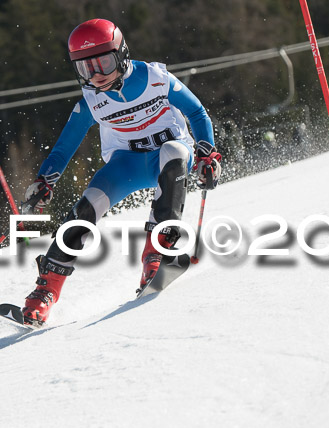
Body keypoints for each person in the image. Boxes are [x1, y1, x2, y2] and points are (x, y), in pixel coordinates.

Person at [21, 18, 222, 326]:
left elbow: (196, 111)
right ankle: (45, 290)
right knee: (86, 209)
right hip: (125, 164)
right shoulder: (90, 101)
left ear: (121, 54)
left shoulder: (155, 77)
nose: (96, 75)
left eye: (103, 63)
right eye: (85, 69)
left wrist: (208, 153)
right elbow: (63, 149)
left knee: (175, 152)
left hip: (169, 156)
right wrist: (44, 182)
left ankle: (157, 254)